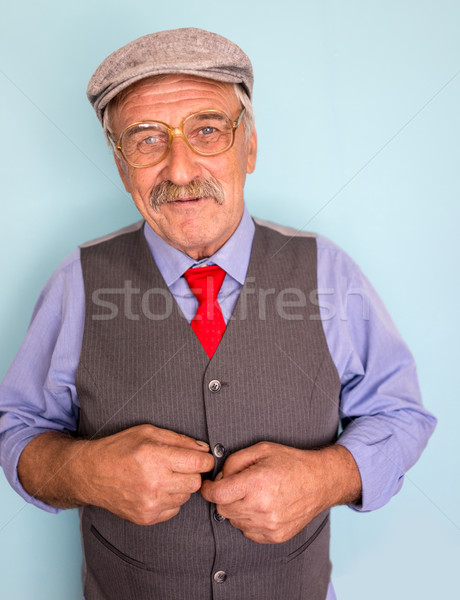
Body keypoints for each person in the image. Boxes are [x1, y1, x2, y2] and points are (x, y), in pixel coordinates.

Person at [0, 28, 436, 600]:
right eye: (147, 139)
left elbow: (400, 414)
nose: (180, 171)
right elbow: (18, 431)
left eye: (207, 131)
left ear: (248, 146)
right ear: (121, 162)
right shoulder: (75, 282)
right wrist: (87, 472)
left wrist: (328, 476)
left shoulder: (329, 272)